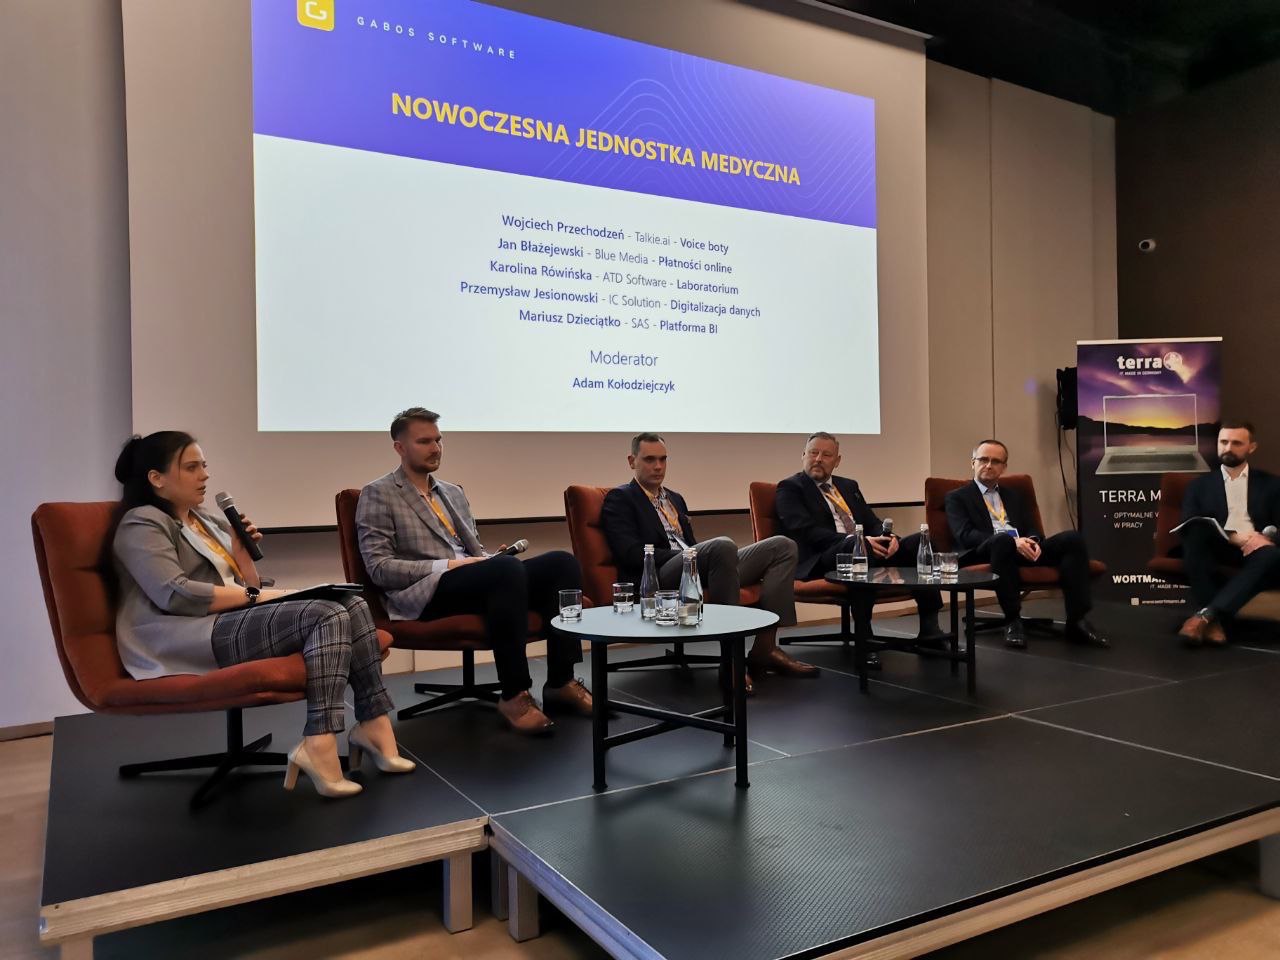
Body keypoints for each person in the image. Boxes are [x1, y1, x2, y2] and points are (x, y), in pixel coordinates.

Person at [111, 432, 411, 800]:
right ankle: (319, 742)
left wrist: (243, 560)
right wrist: (255, 595)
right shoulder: (142, 523)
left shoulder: (206, 521)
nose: (204, 475)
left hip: (229, 620)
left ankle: (373, 723)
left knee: (353, 603)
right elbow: (174, 593)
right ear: (156, 478)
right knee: (326, 613)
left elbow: (244, 586)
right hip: (186, 634)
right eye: (191, 467)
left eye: (204, 465)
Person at [356, 408, 591, 735]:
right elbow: (380, 569)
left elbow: (470, 550)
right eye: (424, 441)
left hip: (475, 580)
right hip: (427, 590)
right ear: (399, 447)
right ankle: (514, 693)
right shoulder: (378, 493)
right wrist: (453, 565)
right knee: (505, 571)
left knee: (561, 563)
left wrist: (486, 559)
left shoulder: (452, 492)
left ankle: (561, 682)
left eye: (438, 440)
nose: (435, 448)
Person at [600, 433, 817, 693]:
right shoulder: (621, 498)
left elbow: (692, 545)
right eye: (649, 460)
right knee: (722, 545)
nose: (658, 466)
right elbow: (630, 553)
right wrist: (690, 556)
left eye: (663, 459)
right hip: (659, 575)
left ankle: (765, 648)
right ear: (631, 461)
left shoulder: (675, 499)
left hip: (694, 568)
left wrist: (694, 556)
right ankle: (731, 660)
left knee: (782, 546)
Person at [776, 432, 945, 666]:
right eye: (813, 453)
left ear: (837, 461)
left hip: (861, 547)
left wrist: (889, 538)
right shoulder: (790, 487)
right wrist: (859, 541)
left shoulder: (848, 485)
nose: (818, 459)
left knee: (922, 542)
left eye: (826, 455)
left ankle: (930, 628)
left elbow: (871, 521)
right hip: (820, 557)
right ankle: (865, 637)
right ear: (803, 455)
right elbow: (805, 531)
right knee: (858, 548)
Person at [945, 439, 1108, 649]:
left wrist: (1033, 541)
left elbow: (1032, 528)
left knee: (1073, 539)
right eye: (983, 460)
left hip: (1022, 550)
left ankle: (1077, 620)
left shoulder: (1014, 495)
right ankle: (1013, 620)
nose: (989, 465)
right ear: (973, 463)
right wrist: (1013, 541)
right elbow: (965, 535)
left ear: (1004, 467)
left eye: (996, 461)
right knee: (1003, 540)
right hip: (986, 550)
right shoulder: (957, 497)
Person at [1177, 421, 1280, 646]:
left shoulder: (1272, 484)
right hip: (1218, 546)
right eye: (1223, 442)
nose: (1228, 448)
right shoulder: (1199, 486)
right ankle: (1213, 620)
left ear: (1251, 447)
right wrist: (1232, 536)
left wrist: (1267, 537)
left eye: (1236, 443)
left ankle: (1206, 616)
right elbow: (1189, 521)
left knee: (1272, 554)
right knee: (1194, 535)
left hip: (1256, 549)